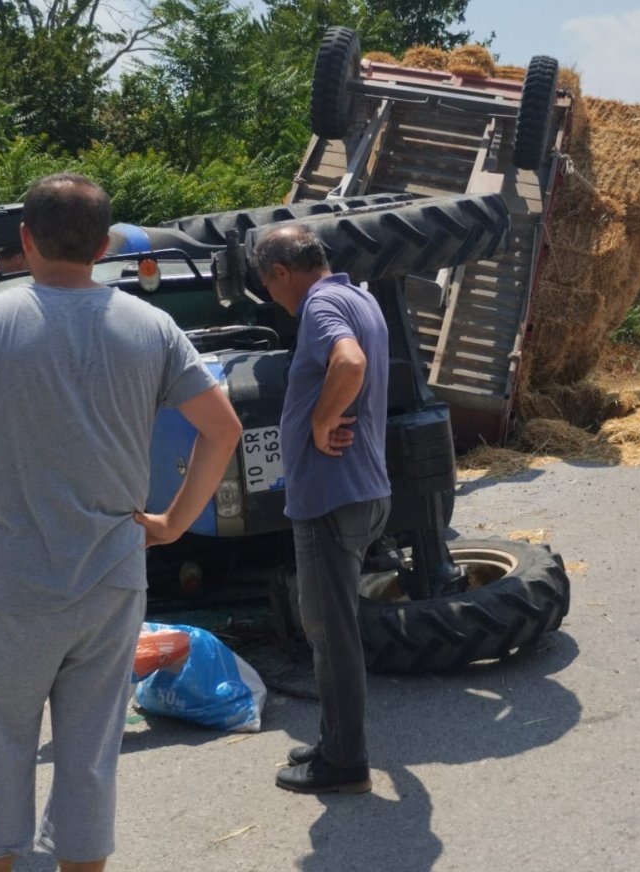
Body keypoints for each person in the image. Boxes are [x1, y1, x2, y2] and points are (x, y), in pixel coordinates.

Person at [0, 172, 242, 872]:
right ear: (104, 244)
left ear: (23, 239)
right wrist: (171, 521)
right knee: (89, 763)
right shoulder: (151, 325)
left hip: (4, 582)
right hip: (109, 580)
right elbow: (220, 430)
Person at [253, 225, 391, 795]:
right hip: (362, 490)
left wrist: (318, 420)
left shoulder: (321, 304)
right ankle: (335, 739)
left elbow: (350, 362)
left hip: (332, 499)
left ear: (281, 273)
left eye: (269, 288)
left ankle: (344, 763)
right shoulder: (360, 295)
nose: (273, 300)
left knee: (330, 636)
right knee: (334, 630)